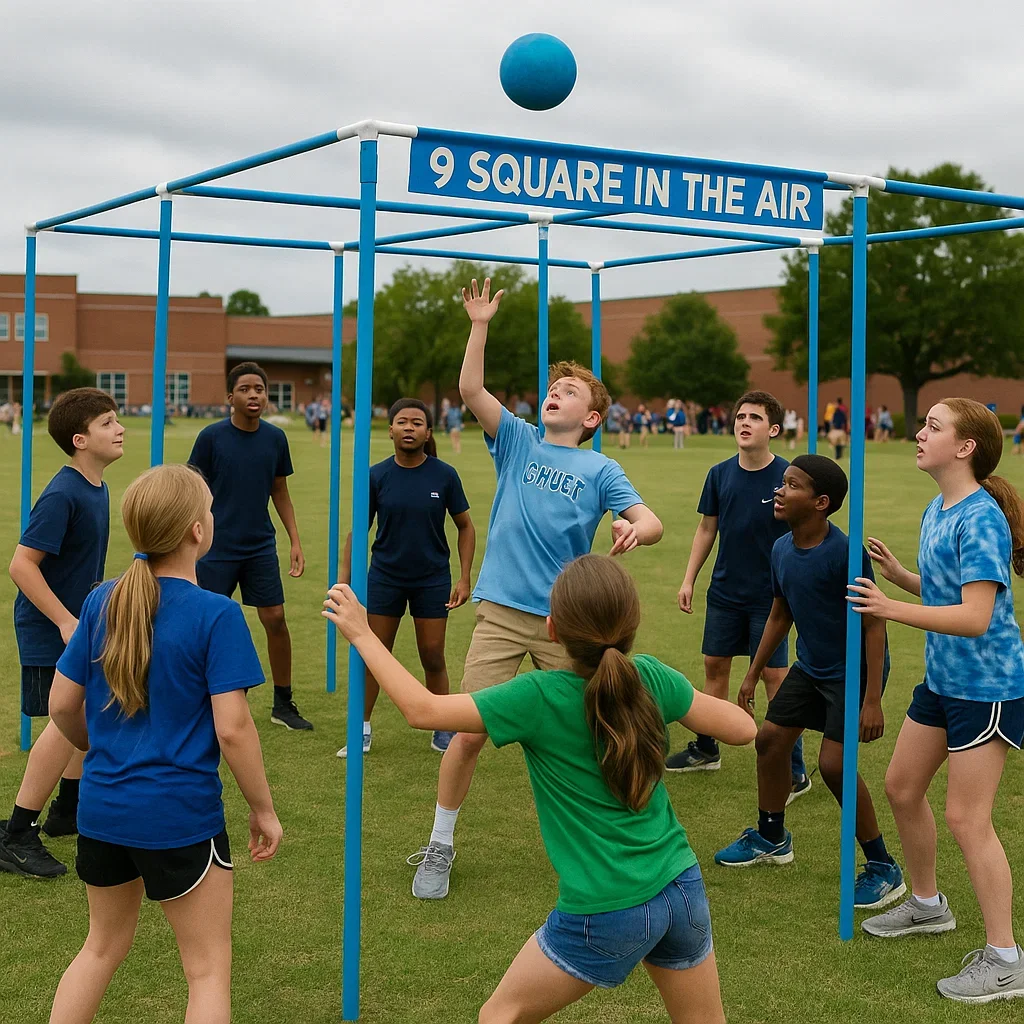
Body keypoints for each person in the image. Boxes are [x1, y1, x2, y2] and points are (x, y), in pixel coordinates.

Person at [324, 554, 756, 1023]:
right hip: (681, 888)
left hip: (606, 906)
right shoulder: (649, 677)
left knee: (499, 1016)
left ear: (553, 630)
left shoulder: (537, 697)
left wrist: (363, 633)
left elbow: (422, 711)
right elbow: (743, 730)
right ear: (631, 626)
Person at [408, 278, 663, 901]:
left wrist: (634, 527)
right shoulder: (517, 440)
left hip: (567, 623)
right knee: (469, 732)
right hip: (499, 612)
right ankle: (440, 845)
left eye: (569, 391)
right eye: (553, 388)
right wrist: (480, 325)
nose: (556, 394)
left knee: (600, 724)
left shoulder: (602, 468)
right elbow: (470, 389)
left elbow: (651, 521)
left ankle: (617, 841)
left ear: (593, 417)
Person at [46, 464, 281, 1024]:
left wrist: (99, 749)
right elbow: (233, 728)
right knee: (206, 972)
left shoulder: (104, 599)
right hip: (179, 817)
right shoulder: (217, 614)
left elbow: (60, 707)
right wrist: (263, 808)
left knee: (99, 950)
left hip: (102, 810)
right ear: (198, 531)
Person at [851, 399, 1024, 1003]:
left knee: (966, 818)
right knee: (901, 786)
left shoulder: (980, 517)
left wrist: (891, 609)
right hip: (943, 682)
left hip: (987, 687)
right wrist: (901, 578)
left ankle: (1005, 959)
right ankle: (927, 905)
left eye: (932, 427)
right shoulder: (937, 508)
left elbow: (976, 617)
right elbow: (950, 590)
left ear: (966, 447)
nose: (918, 434)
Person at [715, 455, 906, 912]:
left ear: (821, 503)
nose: (779, 490)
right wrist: (753, 672)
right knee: (770, 741)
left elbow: (874, 623)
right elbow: (781, 614)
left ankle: (883, 867)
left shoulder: (844, 552)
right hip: (810, 667)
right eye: (782, 483)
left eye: (792, 485)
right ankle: (771, 835)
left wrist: (873, 698)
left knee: (835, 766)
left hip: (852, 672)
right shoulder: (781, 549)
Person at [0, 389, 124, 880]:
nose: (120, 428)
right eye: (108, 422)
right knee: (64, 718)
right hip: (52, 628)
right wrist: (65, 621)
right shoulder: (64, 492)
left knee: (86, 709)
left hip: (78, 626)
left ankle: (66, 812)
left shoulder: (96, 487)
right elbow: (21, 565)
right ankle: (16, 833)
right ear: (80, 439)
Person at [669, 391, 808, 798]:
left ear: (774, 430)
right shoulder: (719, 474)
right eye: (740, 416)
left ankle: (794, 768)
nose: (744, 423)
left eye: (755, 418)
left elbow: (803, 536)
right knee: (715, 666)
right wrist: (688, 578)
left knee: (774, 677)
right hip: (725, 591)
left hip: (772, 598)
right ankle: (707, 747)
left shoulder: (789, 478)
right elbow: (706, 529)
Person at [337, 398, 476, 758]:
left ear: (428, 432)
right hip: (385, 577)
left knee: (432, 655)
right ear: (391, 430)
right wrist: (343, 580)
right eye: (403, 422)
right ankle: (361, 730)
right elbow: (358, 531)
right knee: (373, 654)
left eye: (417, 423)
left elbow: (465, 527)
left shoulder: (444, 475)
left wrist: (463, 578)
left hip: (431, 579)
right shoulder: (377, 475)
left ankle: (443, 728)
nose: (409, 428)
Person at [188, 361, 313, 731]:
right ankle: (199, 701)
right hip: (215, 547)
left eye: (259, 388)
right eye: (245, 389)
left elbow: (280, 491)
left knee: (275, 619)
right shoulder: (211, 438)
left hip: (259, 545)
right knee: (204, 623)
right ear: (230, 397)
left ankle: (282, 703)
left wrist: (294, 540)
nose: (253, 395)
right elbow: (193, 491)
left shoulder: (275, 439)